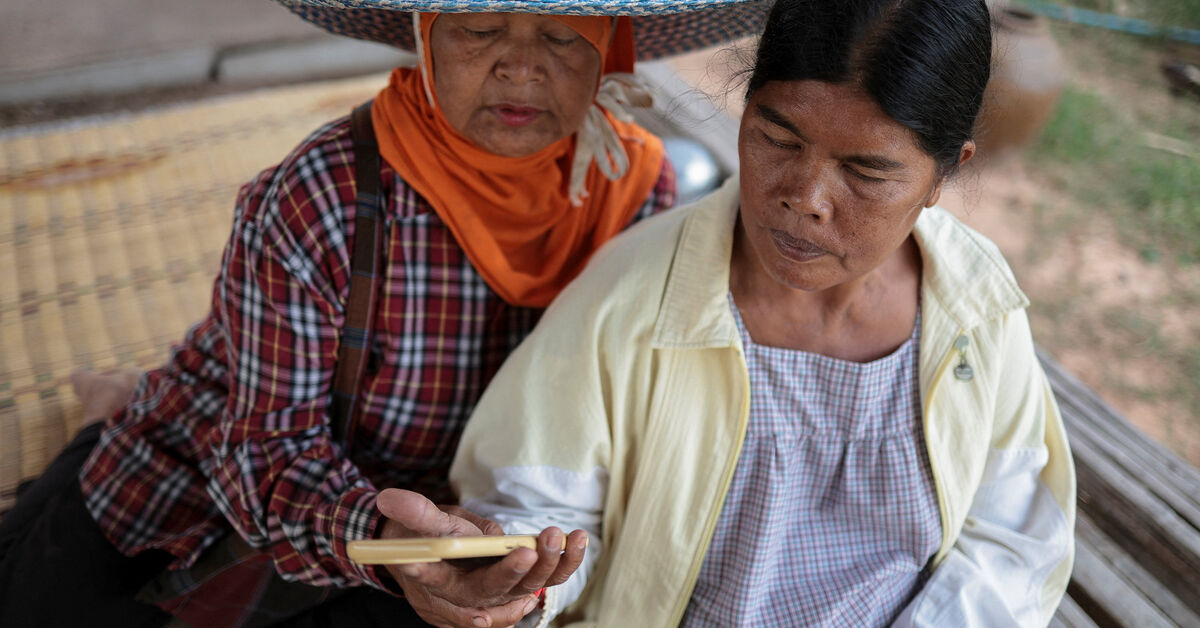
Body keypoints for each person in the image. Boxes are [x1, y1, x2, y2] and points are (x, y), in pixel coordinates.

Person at [0, 2, 769, 626]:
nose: (520, 67)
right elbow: (266, 451)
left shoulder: (639, 192)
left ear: (612, 50)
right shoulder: (320, 197)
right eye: (479, 28)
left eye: (565, 36)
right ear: (423, 36)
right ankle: (116, 413)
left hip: (466, 526)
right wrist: (385, 535)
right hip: (259, 483)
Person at [448, 0, 1077, 625]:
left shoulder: (975, 307)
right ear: (746, 110)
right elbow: (540, 510)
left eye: (865, 172)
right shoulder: (630, 298)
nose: (806, 199)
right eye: (778, 140)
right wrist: (520, 580)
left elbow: (1009, 545)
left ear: (943, 175)